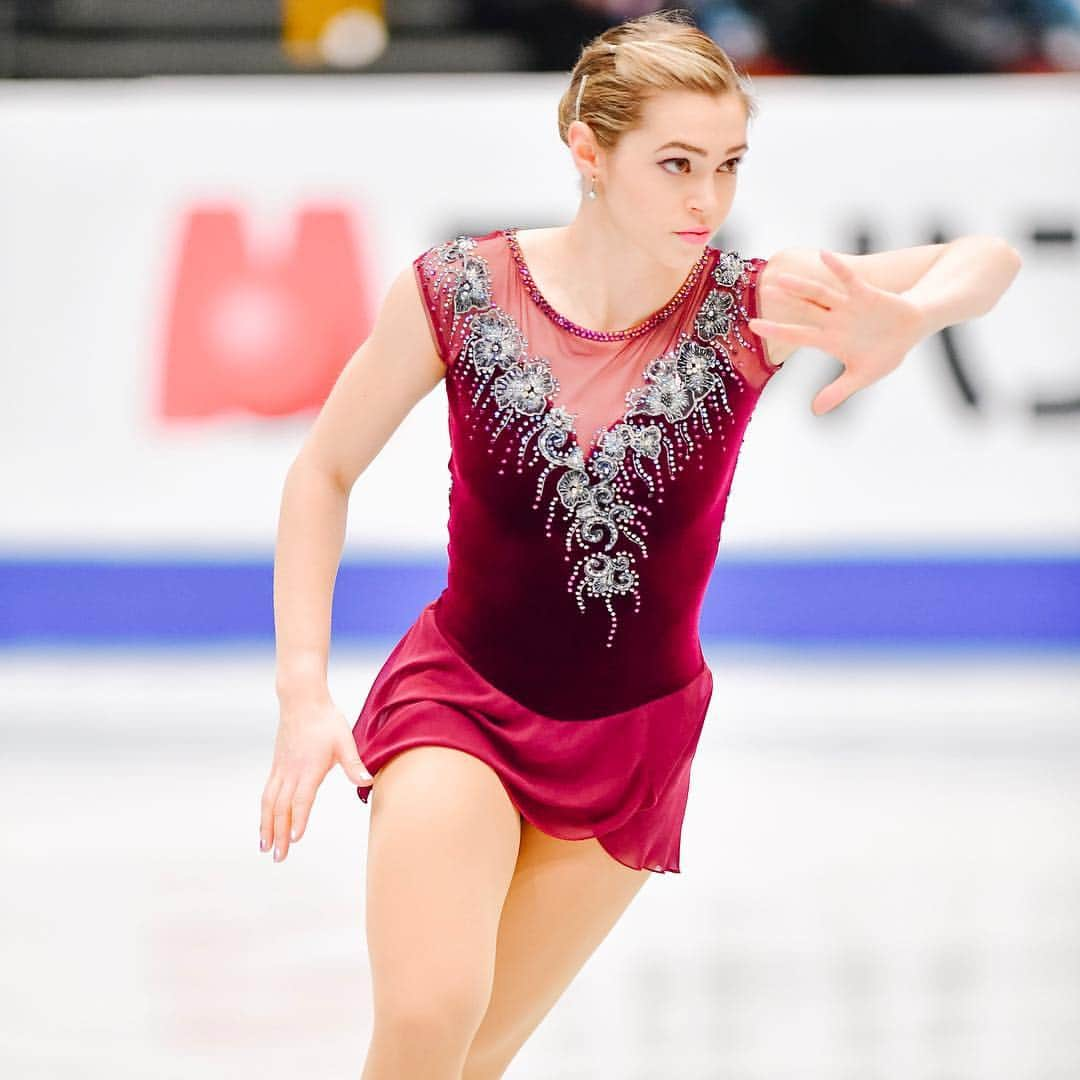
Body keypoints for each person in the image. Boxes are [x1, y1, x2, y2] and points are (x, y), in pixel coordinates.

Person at [260, 10, 1022, 1078]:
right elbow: (322, 470)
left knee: (475, 1059)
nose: (706, 199)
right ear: (589, 152)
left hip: (633, 739)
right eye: (675, 164)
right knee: (430, 1018)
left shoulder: (751, 308)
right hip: (460, 700)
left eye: (727, 165)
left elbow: (987, 257)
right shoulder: (461, 293)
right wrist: (304, 692)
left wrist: (916, 312)